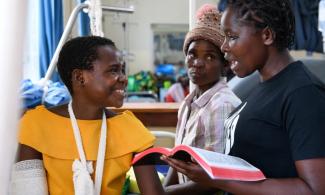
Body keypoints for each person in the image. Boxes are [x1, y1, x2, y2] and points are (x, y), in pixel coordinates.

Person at [162, 0, 325, 194]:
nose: (224, 47)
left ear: (266, 35)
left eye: (232, 37)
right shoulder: (259, 88)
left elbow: (314, 190)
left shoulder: (303, 93)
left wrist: (219, 180)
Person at [11, 36, 165, 195]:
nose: (124, 79)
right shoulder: (36, 125)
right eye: (113, 70)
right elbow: (27, 190)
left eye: (122, 70)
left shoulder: (132, 129)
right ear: (79, 77)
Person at [163, 4, 241, 195]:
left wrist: (164, 194)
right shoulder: (188, 103)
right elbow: (177, 160)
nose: (197, 63)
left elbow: (216, 180)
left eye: (209, 57)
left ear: (225, 65)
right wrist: (159, 190)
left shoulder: (222, 105)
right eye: (192, 54)